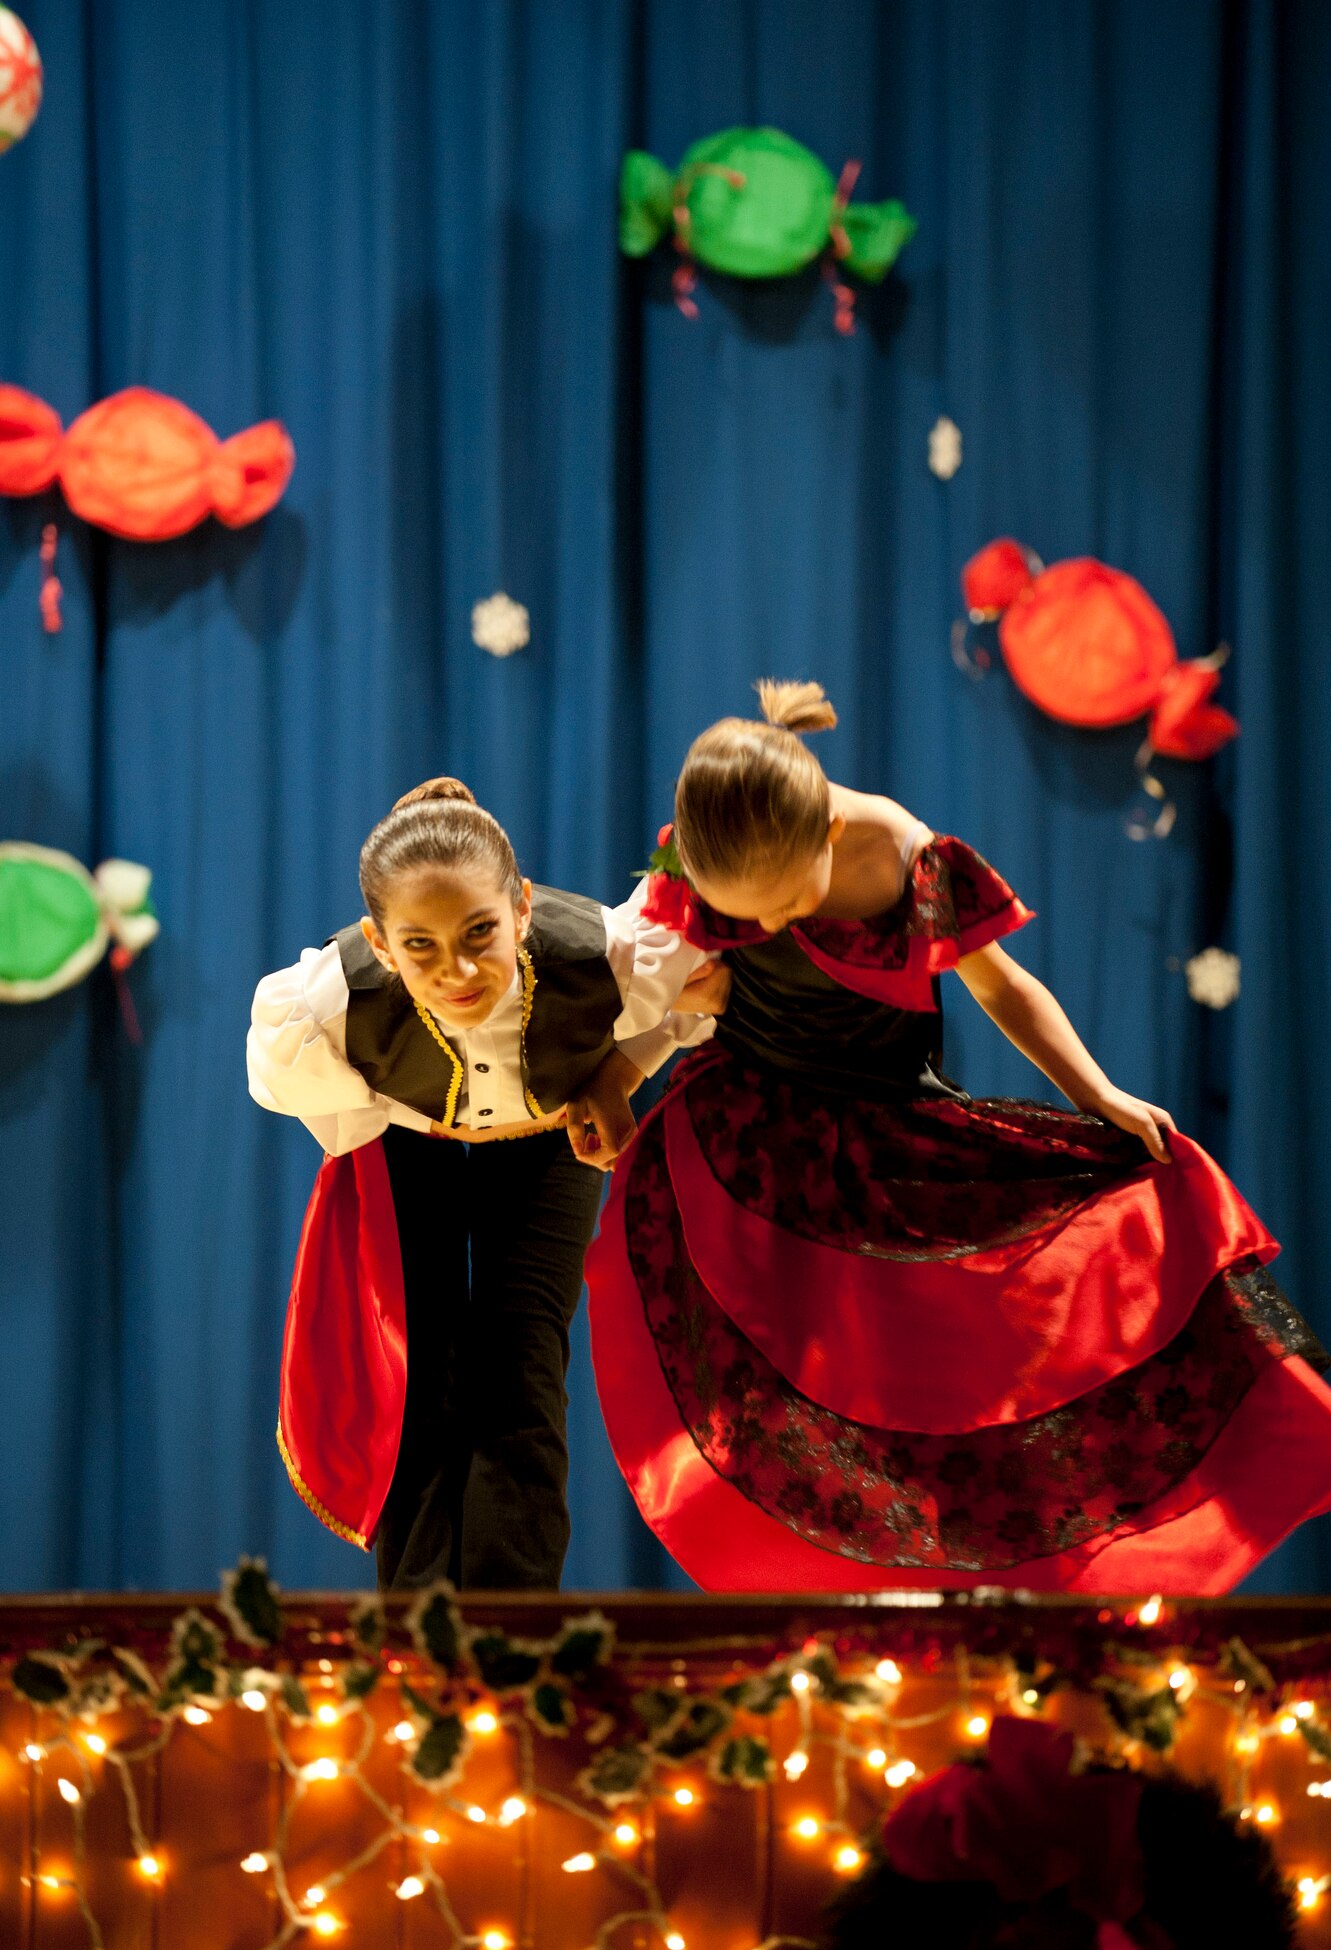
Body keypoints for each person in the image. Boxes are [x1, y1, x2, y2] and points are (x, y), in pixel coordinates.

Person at [585, 681, 1331, 1593]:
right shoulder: (701, 859)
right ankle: (837, 1618)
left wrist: (1100, 1094)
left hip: (889, 1134)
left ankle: (1021, 1596)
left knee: (961, 1370)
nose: (771, 927)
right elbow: (675, 1002)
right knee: (788, 1417)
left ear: (825, 836)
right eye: (751, 914)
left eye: (783, 903)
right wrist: (616, 1082)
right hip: (749, 1150)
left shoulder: (906, 856)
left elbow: (1004, 990)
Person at [247, 777, 709, 1591]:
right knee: (420, 1364)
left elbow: (696, 1001)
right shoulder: (328, 1003)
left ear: (522, 908)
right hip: (407, 1134)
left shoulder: (605, 954)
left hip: (544, 1138)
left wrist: (615, 1073)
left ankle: (512, 1632)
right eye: (418, 945)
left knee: (519, 1362)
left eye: (479, 933)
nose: (455, 969)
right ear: (379, 943)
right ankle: (416, 1632)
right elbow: (300, 1095)